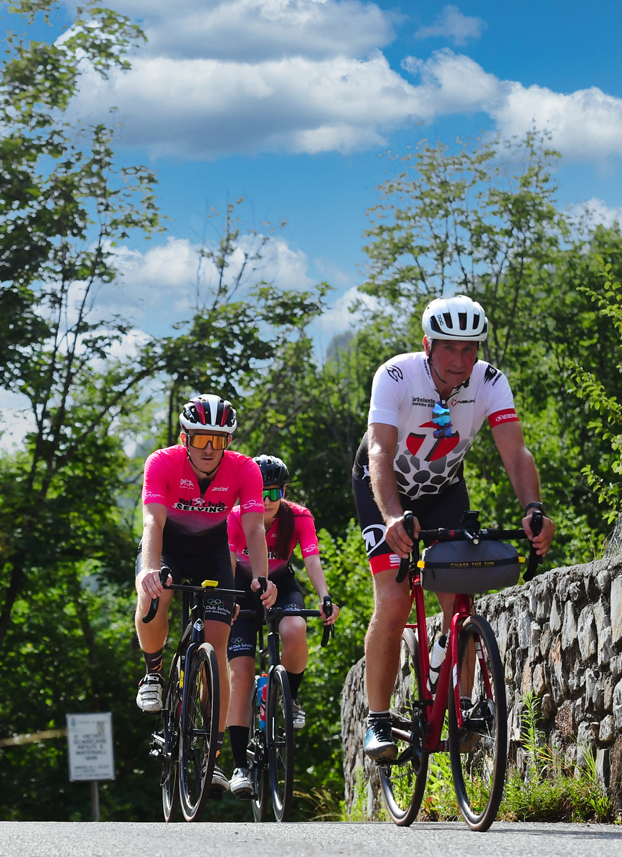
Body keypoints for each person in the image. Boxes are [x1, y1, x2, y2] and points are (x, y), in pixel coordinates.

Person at [353, 295, 555, 763]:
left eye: (470, 350)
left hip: (443, 490)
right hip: (382, 488)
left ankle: (462, 702)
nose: (460, 361)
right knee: (394, 597)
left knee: (460, 592)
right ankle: (377, 720)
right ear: (428, 345)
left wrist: (533, 508)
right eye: (449, 348)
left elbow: (516, 453)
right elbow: (381, 451)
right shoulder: (397, 374)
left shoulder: (489, 382)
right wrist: (390, 517)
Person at [136, 395, 278, 754]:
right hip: (168, 547)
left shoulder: (244, 469)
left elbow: (254, 528)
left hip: (212, 554)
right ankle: (153, 673)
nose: (210, 448)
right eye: (201, 438)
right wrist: (150, 569)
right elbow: (153, 520)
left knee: (216, 649)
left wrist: (261, 577)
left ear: (228, 442)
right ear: (185, 438)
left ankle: (212, 753)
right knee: (154, 595)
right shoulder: (162, 462)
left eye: (219, 439)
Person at [222, 455, 342, 798]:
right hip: (241, 589)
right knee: (241, 674)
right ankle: (239, 767)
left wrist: (324, 596)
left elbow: (312, 559)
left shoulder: (298, 517)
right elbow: (229, 563)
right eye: (259, 494)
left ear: (284, 492)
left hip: (283, 584)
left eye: (273, 494)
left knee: (294, 629)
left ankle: (290, 697)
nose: (266, 503)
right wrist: (229, 601)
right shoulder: (235, 517)